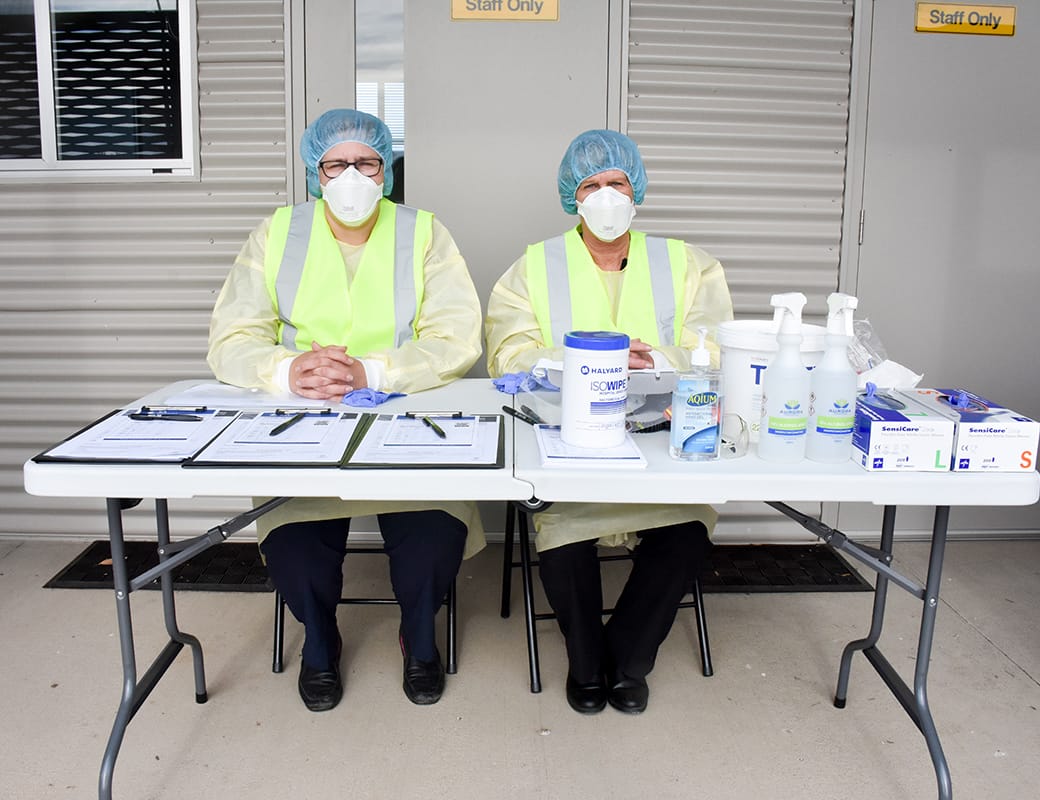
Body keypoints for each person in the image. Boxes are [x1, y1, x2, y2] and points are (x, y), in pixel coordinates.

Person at [208, 109, 483, 711]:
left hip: (406, 417)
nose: (352, 175)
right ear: (316, 172)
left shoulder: (424, 232)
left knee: (433, 540)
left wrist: (372, 372)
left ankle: (419, 636)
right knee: (295, 550)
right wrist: (289, 371)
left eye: (367, 162)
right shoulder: (277, 233)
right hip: (302, 422)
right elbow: (232, 337)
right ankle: (320, 640)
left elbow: (457, 336)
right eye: (337, 164)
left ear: (387, 171)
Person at [485, 129, 734, 715]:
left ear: (636, 189)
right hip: (566, 439)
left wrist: (653, 358)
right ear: (571, 196)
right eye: (590, 185)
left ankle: (628, 657)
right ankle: (585, 661)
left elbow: (716, 348)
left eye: (616, 182)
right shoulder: (533, 267)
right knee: (564, 539)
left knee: (686, 535)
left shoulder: (689, 264)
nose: (605, 196)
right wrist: (593, 360)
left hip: (665, 436)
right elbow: (507, 356)